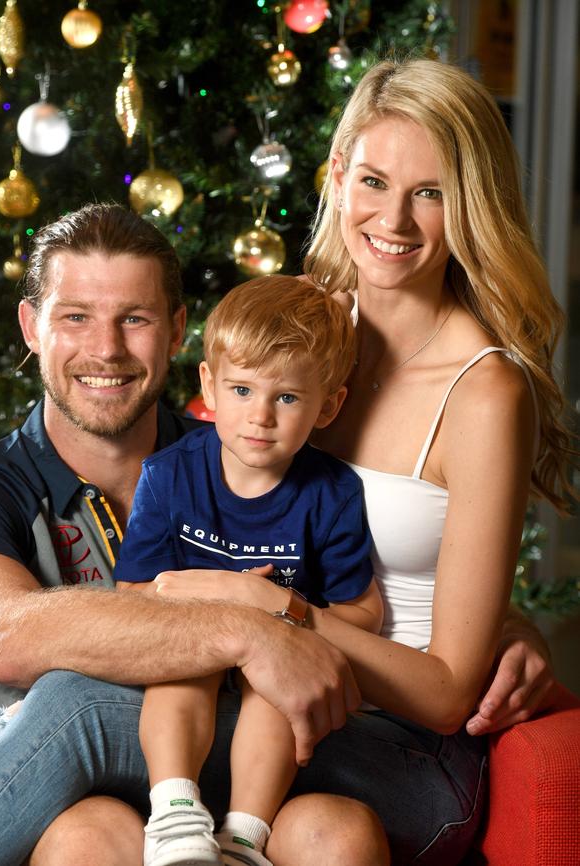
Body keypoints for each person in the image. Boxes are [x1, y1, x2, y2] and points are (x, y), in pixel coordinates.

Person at [0, 175, 557, 866]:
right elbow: (3, 633)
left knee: (329, 830)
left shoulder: (244, 449)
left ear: (175, 334)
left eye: (134, 319)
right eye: (75, 317)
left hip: (253, 770)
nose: (105, 349)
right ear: (31, 329)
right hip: (70, 799)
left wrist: (503, 625)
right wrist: (252, 630)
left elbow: (377, 569)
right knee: (83, 787)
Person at [144, 56, 576, 863]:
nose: (396, 221)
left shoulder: (485, 394)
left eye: (431, 193)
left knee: (84, 723)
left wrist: (268, 612)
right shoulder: (294, 331)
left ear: (470, 206)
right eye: (375, 180)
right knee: (103, 808)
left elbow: (450, 692)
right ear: (338, 175)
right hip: (258, 695)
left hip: (404, 738)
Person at [114, 276, 383, 866]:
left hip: (282, 661)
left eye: (286, 398)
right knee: (181, 667)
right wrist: (213, 619)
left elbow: (365, 610)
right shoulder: (168, 475)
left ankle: (242, 839)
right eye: (241, 389)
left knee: (276, 686)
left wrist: (281, 617)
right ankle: (176, 816)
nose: (259, 416)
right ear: (208, 385)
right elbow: (131, 592)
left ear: (328, 405)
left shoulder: (333, 492)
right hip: (192, 648)